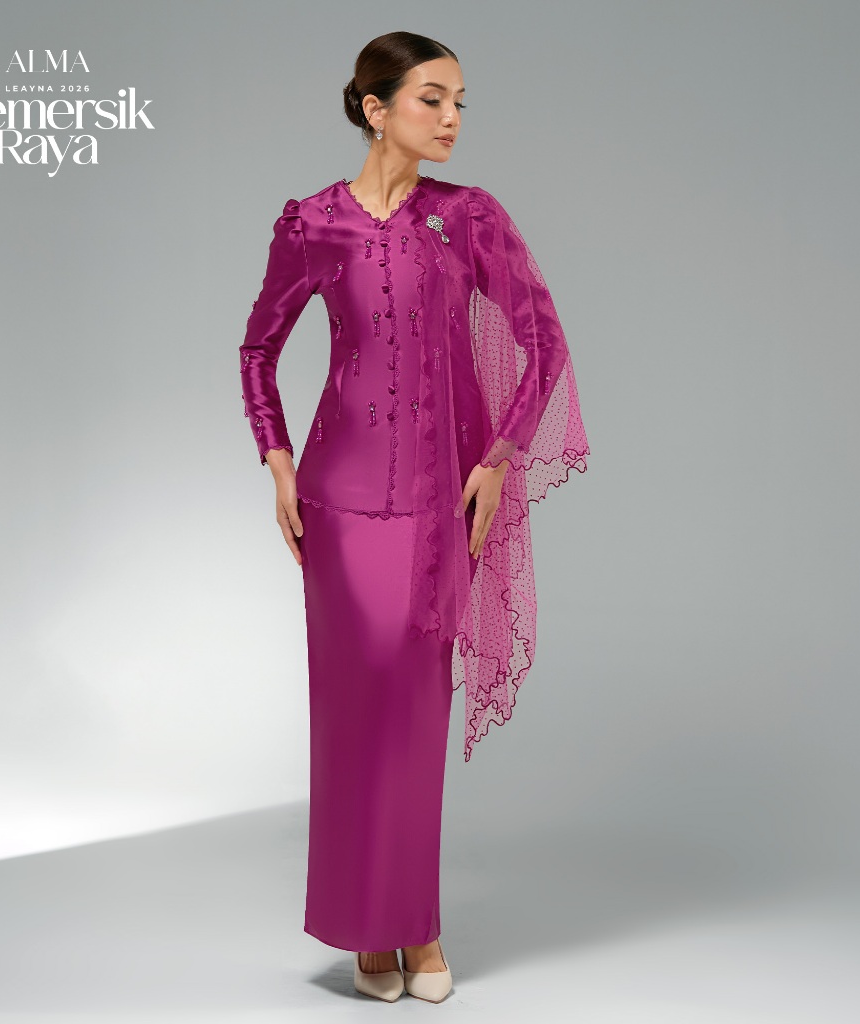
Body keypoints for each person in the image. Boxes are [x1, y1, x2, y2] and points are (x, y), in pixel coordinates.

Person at [238, 31, 589, 1004]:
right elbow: (258, 350)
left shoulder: (468, 217)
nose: (452, 119)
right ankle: (367, 933)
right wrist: (276, 461)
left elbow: (543, 342)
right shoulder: (313, 224)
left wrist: (499, 457)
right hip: (337, 502)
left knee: (414, 712)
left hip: (439, 501)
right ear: (374, 107)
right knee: (351, 714)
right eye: (432, 98)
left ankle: (418, 925)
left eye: (460, 102)